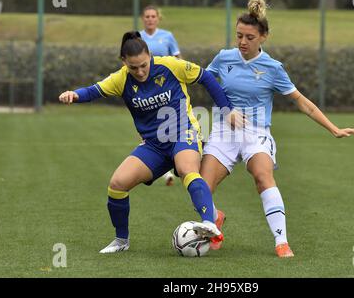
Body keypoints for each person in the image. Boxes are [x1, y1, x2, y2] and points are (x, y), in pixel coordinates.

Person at [200, 0, 354, 258]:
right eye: (239, 35)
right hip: (223, 131)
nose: (242, 42)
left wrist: (334, 128)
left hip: (256, 133)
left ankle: (281, 242)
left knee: (263, 176)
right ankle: (215, 217)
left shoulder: (273, 68)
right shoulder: (223, 57)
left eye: (249, 37)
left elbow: (303, 103)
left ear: (264, 37)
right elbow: (206, 82)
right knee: (201, 189)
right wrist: (227, 110)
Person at [59, 31, 244, 253]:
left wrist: (227, 110)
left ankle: (209, 223)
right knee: (117, 184)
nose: (139, 71)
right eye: (133, 67)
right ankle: (121, 241)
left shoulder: (170, 66)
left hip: (183, 133)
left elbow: (205, 77)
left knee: (187, 169)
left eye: (144, 65)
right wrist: (74, 95)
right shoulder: (121, 79)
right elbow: (93, 91)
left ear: (150, 55)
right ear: (124, 62)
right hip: (154, 145)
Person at [140, 5, 181, 186]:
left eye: (153, 16)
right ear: (143, 19)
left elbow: (178, 59)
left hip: (166, 89)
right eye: (147, 16)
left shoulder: (167, 36)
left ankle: (175, 160)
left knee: (169, 123)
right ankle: (164, 167)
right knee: (148, 123)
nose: (150, 19)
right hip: (145, 89)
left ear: (158, 18)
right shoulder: (137, 37)